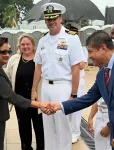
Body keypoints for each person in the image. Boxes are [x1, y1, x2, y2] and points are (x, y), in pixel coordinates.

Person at [0, 36, 52, 150]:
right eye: (3, 52)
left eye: (8, 51)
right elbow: (10, 95)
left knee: (40, 131)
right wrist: (40, 105)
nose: (7, 55)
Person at [31, 3, 85, 150]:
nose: (51, 22)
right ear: (45, 21)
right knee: (48, 127)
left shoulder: (72, 39)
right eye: (48, 19)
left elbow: (76, 69)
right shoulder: (42, 40)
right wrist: (34, 90)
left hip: (63, 87)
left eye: (54, 18)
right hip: (46, 88)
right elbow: (38, 68)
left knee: (63, 128)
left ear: (60, 18)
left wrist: (74, 94)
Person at [49, 30, 114, 149]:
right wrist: (60, 106)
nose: (88, 56)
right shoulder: (102, 73)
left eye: (90, 52)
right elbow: (89, 98)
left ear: (103, 48)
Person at [6, 33, 44, 150]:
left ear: (33, 45)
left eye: (28, 44)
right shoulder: (14, 59)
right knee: (24, 129)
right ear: (19, 46)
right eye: (22, 44)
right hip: (21, 101)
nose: (25, 46)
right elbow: (7, 76)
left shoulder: (40, 59)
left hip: (37, 100)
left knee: (40, 130)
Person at [66, 22, 87, 143]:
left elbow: (82, 65)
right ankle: (68, 131)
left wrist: (70, 61)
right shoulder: (65, 47)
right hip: (67, 81)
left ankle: (75, 133)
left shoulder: (82, 48)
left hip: (79, 81)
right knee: (67, 107)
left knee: (77, 108)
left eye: (74, 32)